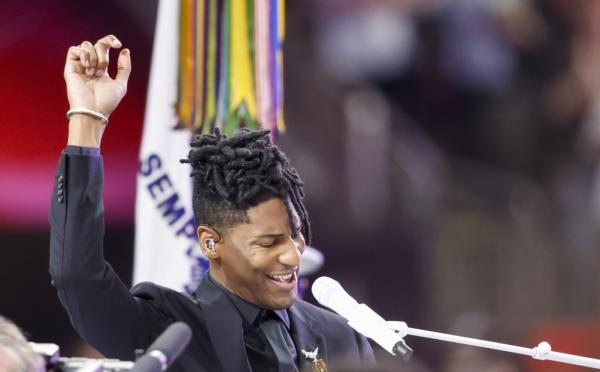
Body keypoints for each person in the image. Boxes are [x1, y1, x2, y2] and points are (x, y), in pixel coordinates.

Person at [49, 35, 375, 371]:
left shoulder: (342, 339)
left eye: (295, 234)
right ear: (210, 242)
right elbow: (78, 276)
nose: (293, 254)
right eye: (268, 242)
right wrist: (87, 120)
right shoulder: (167, 329)